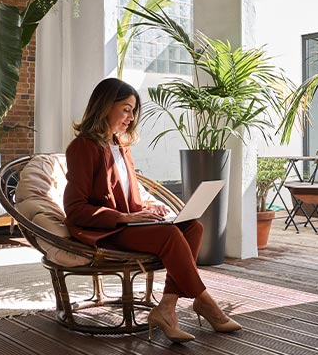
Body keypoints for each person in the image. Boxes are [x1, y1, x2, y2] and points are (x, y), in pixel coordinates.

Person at [63, 78, 241, 343]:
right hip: (104, 230)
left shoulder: (121, 147)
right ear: (104, 107)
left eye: (133, 110)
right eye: (126, 109)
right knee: (170, 236)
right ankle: (205, 302)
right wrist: (124, 217)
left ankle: (166, 307)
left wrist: (148, 206)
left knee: (193, 226)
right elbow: (75, 209)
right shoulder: (82, 148)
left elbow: (126, 197)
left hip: (128, 224)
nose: (131, 117)